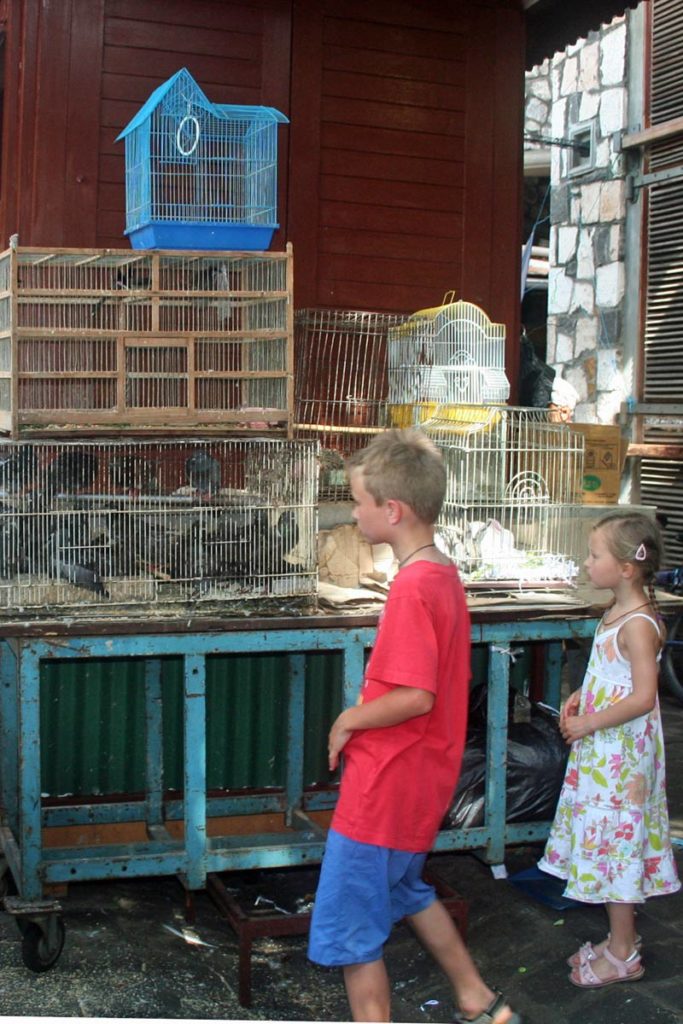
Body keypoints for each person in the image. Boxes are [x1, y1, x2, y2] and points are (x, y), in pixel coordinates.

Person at [308, 428, 521, 1024]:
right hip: (422, 782)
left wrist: (349, 718)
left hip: (383, 789)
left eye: (358, 502)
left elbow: (414, 695)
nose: (353, 512)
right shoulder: (442, 573)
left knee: (354, 933)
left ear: (391, 510)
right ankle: (477, 997)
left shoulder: (410, 588)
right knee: (405, 890)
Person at [539, 510, 681, 988]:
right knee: (606, 843)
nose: (586, 562)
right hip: (604, 755)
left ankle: (623, 952)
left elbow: (644, 696)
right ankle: (621, 939)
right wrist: (581, 696)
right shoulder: (614, 612)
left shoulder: (638, 624)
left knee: (617, 846)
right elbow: (613, 678)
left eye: (594, 554)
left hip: (620, 760)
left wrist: (589, 723)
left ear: (625, 568)